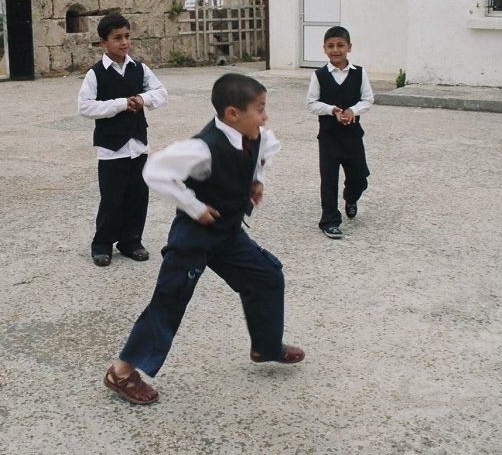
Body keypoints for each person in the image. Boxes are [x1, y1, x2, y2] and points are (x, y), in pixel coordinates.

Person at [103, 73, 305, 404]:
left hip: (227, 233)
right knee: (170, 300)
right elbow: (155, 171)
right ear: (232, 114)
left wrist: (256, 181)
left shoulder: (256, 136)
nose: (265, 117)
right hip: (194, 237)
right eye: (260, 109)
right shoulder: (202, 148)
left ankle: (265, 347)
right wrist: (193, 206)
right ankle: (121, 372)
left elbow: (265, 152)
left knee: (267, 276)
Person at [78, 13, 168, 267]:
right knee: (112, 198)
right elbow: (85, 107)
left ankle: (131, 241)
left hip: (138, 145)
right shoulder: (95, 74)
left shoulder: (140, 69)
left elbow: (161, 93)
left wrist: (143, 99)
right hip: (111, 148)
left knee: (138, 195)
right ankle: (102, 243)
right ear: (103, 43)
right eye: (117, 38)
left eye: (127, 36)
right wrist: (119, 104)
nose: (124, 42)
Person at [306, 26, 374, 239]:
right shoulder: (319, 75)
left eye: (340, 45)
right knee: (328, 179)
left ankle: (351, 197)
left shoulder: (359, 73)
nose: (335, 50)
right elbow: (311, 103)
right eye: (330, 46)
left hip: (353, 136)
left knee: (360, 176)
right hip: (328, 136)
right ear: (324, 49)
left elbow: (368, 99)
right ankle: (329, 220)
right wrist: (331, 110)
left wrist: (353, 110)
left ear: (349, 47)